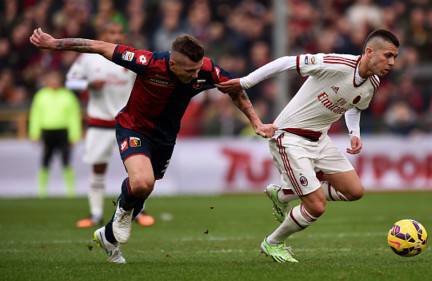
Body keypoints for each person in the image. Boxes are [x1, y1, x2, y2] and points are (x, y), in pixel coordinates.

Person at [30, 27, 275, 264]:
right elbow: (99, 46)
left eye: (198, 68)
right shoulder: (148, 62)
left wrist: (256, 122)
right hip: (133, 127)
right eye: (189, 70)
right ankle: (122, 213)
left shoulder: (206, 69)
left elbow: (235, 90)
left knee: (145, 187)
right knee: (142, 182)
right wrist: (55, 44)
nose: (195, 74)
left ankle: (107, 236)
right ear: (173, 63)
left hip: (165, 138)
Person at [217, 29, 399, 263]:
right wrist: (245, 82)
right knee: (316, 206)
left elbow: (355, 105)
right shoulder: (338, 64)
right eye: (388, 56)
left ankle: (283, 194)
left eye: (395, 57)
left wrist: (354, 133)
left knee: (354, 191)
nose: (392, 62)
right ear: (369, 52)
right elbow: (286, 62)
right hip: (290, 138)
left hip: (320, 140)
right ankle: (273, 243)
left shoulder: (372, 83)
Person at [66, 22, 155, 229]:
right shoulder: (88, 58)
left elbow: (147, 79)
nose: (116, 36)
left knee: (138, 170)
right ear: (102, 35)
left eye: (118, 32)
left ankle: (140, 211)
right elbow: (71, 82)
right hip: (100, 123)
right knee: (98, 168)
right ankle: (95, 214)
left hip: (130, 124)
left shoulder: (131, 57)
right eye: (111, 32)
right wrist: (88, 84)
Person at [29, 71, 82, 198]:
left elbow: (74, 116)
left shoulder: (68, 96)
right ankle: (42, 192)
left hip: (63, 132)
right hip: (47, 131)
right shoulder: (41, 96)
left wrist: (75, 134)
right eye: (51, 79)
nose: (53, 82)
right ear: (46, 81)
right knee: (45, 161)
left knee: (66, 161)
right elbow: (35, 115)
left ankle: (71, 192)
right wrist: (34, 132)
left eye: (56, 79)